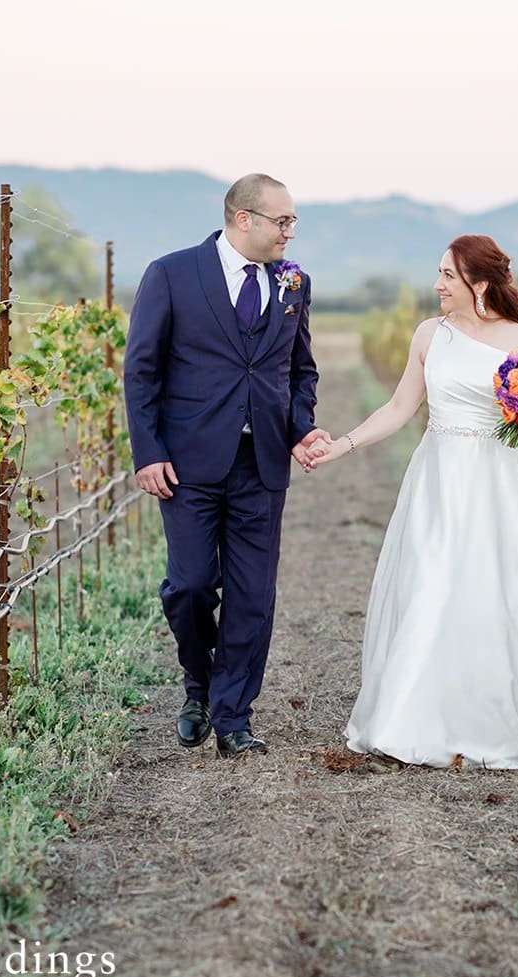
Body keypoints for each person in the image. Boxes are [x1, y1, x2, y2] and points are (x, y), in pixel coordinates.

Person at [310, 235, 518, 768]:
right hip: (438, 478)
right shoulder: (428, 335)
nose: (437, 284)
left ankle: (504, 714)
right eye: (438, 273)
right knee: (433, 583)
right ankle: (411, 719)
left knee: (498, 589)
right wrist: (340, 446)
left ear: (478, 284)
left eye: (447, 276)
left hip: (499, 479)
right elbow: (398, 408)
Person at [124, 173, 329, 758]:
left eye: (292, 221)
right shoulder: (171, 274)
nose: (290, 231)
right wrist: (149, 452)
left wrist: (300, 426)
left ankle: (233, 714)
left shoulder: (295, 283)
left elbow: (299, 369)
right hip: (185, 464)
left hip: (260, 464)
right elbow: (141, 371)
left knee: (251, 595)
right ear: (244, 218)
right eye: (282, 221)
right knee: (188, 586)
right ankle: (200, 683)